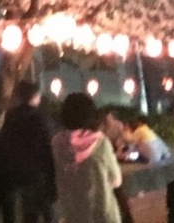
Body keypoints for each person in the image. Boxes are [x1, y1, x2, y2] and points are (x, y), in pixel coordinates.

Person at [0, 80, 58, 223]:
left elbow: (5, 143)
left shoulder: (11, 117)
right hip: (40, 173)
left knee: (29, 212)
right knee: (48, 212)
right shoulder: (42, 118)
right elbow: (49, 146)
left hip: (18, 172)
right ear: (35, 97)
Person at [51, 92, 122, 223]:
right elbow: (116, 180)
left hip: (74, 215)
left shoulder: (56, 144)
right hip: (103, 216)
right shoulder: (101, 143)